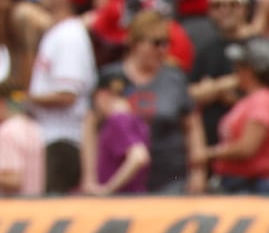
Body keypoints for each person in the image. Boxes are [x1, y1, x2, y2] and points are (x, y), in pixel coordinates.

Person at [86, 11, 206, 193]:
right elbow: (90, 126)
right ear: (136, 43)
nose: (162, 50)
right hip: (122, 178)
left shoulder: (174, 77)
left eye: (166, 43)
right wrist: (89, 177)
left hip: (169, 176)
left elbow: (192, 126)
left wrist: (198, 172)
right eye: (156, 43)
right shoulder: (112, 77)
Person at [29, 0, 97, 192]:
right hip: (52, 136)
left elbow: (68, 94)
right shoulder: (59, 31)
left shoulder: (70, 35)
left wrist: (27, 100)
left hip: (64, 139)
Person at [199, 38, 269, 193]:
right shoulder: (253, 99)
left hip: (253, 186)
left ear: (250, 70)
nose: (236, 71)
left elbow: (247, 148)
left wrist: (207, 153)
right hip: (240, 183)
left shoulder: (263, 101)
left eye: (239, 67)